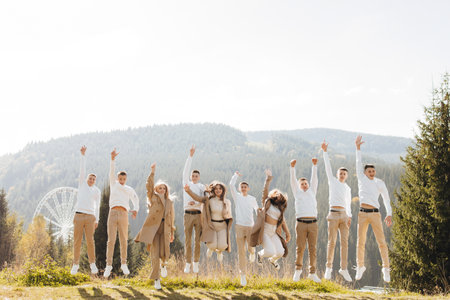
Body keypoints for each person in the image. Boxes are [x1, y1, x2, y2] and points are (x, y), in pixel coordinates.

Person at [354, 135, 392, 283]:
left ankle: (386, 269)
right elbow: (358, 163)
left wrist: (389, 214)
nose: (372, 173)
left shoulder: (380, 182)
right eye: (369, 171)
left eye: (373, 171)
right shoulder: (361, 179)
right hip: (362, 213)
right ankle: (360, 266)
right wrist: (357, 148)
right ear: (365, 172)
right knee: (360, 241)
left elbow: (386, 198)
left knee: (381, 242)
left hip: (375, 214)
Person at [135, 163, 175, 290]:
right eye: (160, 188)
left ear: (166, 190)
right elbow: (149, 186)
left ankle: (164, 264)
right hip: (153, 228)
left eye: (164, 188)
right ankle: (156, 280)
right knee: (154, 254)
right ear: (157, 189)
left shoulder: (169, 202)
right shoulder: (153, 197)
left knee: (165, 252)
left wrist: (172, 233)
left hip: (166, 228)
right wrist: (152, 172)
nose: (162, 190)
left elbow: (172, 218)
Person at [104, 148, 140, 278]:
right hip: (113, 213)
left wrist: (135, 209)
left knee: (123, 239)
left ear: (126, 179)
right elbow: (111, 172)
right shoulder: (114, 184)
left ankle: (123, 263)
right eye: (120, 178)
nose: (122, 180)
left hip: (124, 213)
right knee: (111, 240)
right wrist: (112, 159)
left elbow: (135, 199)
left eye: (124, 178)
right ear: (117, 178)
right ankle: (108, 265)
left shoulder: (129, 189)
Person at [321, 141, 352, 282]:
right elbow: (327, 166)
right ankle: (328, 268)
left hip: (344, 215)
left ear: (346, 176)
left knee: (344, 242)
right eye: (341, 173)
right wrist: (325, 152)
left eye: (344, 173)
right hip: (333, 214)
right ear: (337, 174)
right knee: (332, 241)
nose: (342, 175)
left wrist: (349, 216)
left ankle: (343, 268)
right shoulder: (332, 181)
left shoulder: (348, 188)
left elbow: (348, 203)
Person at [250, 169, 291, 272]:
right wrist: (268, 180)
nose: (279, 195)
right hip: (265, 231)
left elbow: (283, 221)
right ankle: (260, 255)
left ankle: (272, 260)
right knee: (269, 251)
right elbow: (265, 192)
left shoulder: (280, 208)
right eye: (276, 194)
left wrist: (287, 232)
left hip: (273, 232)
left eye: (280, 195)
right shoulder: (267, 202)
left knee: (280, 252)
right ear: (273, 195)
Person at [184, 181, 233, 263]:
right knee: (212, 245)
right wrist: (188, 191)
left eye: (220, 189)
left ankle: (219, 251)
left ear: (223, 190)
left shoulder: (227, 202)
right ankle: (211, 249)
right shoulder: (209, 200)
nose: (218, 190)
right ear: (213, 190)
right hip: (212, 226)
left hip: (222, 226)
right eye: (216, 189)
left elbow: (229, 214)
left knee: (223, 246)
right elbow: (197, 198)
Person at [71, 146, 101, 275]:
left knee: (90, 241)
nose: (91, 180)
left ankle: (92, 264)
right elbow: (82, 170)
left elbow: (97, 206)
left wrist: (97, 220)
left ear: (95, 181)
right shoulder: (82, 184)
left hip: (90, 217)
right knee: (77, 241)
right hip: (78, 215)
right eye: (90, 178)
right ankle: (75, 264)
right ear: (86, 179)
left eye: (94, 179)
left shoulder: (96, 191)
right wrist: (83, 156)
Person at [290, 158, 321, 283]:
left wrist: (314, 166)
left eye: (305, 183)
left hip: (313, 223)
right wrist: (292, 168)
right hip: (301, 223)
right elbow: (292, 181)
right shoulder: (297, 193)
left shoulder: (312, 191)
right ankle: (297, 271)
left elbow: (315, 180)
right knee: (300, 247)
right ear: (298, 186)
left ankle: (312, 273)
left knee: (313, 248)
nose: (304, 185)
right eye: (302, 184)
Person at [229, 171, 258, 286]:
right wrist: (235, 175)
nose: (243, 188)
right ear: (239, 188)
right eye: (242, 186)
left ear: (248, 188)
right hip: (239, 227)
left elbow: (257, 209)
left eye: (245, 186)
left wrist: (259, 211)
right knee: (241, 251)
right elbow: (231, 185)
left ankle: (252, 252)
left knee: (250, 247)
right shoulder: (237, 197)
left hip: (250, 227)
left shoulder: (252, 198)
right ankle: (243, 275)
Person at [182, 145, 205, 274]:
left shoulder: (201, 186)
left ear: (199, 177)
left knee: (197, 241)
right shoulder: (187, 184)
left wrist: (195, 202)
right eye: (193, 175)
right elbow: (185, 171)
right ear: (190, 177)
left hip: (198, 214)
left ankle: (196, 263)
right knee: (188, 240)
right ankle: (188, 263)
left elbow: (204, 199)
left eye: (196, 175)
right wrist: (190, 156)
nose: (194, 177)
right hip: (187, 214)